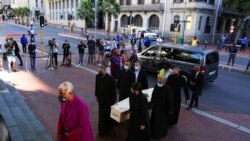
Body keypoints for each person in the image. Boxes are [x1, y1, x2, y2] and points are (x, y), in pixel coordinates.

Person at [95, 64, 117, 136]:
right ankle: (101, 129)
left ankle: (106, 129)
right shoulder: (97, 76)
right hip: (101, 100)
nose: (98, 69)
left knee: (106, 115)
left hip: (108, 101)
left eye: (99, 68)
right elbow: (97, 87)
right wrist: (97, 96)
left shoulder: (111, 79)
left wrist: (113, 101)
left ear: (103, 69)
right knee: (101, 115)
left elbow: (114, 92)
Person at [150, 76, 173, 140]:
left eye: (161, 78)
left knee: (161, 122)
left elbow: (169, 99)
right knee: (154, 121)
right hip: (156, 107)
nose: (159, 80)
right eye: (158, 78)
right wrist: (152, 101)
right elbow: (153, 94)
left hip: (163, 109)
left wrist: (170, 109)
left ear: (164, 80)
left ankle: (159, 134)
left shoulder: (168, 88)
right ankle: (153, 132)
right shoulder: (156, 86)